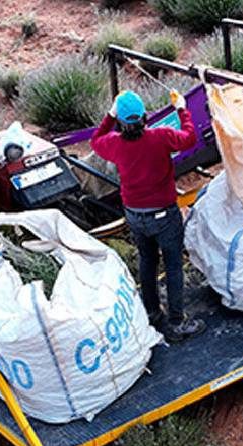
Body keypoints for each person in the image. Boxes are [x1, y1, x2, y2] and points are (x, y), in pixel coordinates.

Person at [91, 90, 203, 341]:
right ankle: (176, 323)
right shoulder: (160, 137)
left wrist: (110, 115)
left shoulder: (114, 144)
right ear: (144, 117)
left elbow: (96, 139)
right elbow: (190, 138)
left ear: (120, 121)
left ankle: (151, 312)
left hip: (134, 215)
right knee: (173, 265)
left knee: (147, 261)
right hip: (164, 214)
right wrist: (182, 109)